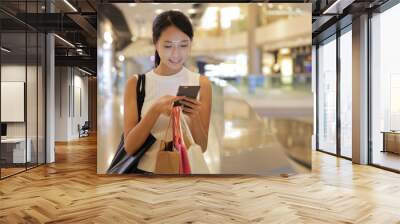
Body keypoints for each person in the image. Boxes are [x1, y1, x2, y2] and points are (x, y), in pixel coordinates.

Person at [123, 10, 212, 173]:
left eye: (183, 45)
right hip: (145, 175)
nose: (176, 54)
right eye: (168, 45)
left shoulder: (201, 83)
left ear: (191, 44)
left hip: (186, 172)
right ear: (156, 45)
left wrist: (195, 117)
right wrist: (155, 110)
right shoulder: (136, 84)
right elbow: (129, 147)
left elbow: (202, 147)